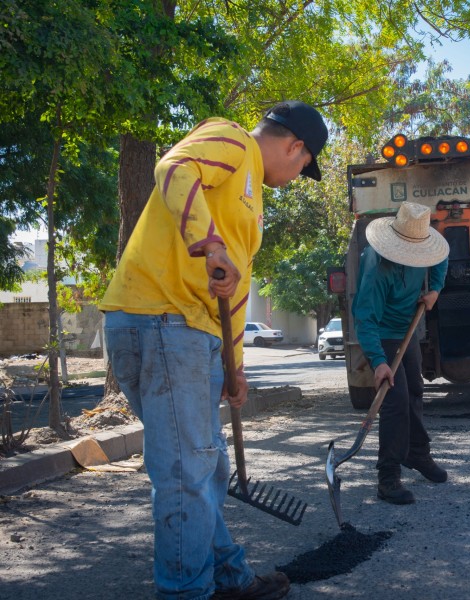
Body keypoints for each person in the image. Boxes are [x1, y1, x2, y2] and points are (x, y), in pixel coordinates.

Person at [100, 100, 328, 600]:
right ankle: (187, 592)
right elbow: (173, 167)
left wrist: (235, 365)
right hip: (163, 318)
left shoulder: (250, 198)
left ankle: (228, 576)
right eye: (303, 167)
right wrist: (209, 243)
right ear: (295, 146)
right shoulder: (232, 140)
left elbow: (236, 286)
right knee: (187, 469)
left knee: (205, 466)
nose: (294, 177)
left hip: (192, 332)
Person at [352, 201, 450, 505]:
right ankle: (388, 475)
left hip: (407, 330)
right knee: (394, 400)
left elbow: (441, 261)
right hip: (381, 334)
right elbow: (365, 318)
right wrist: (379, 362)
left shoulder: (425, 247)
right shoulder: (378, 268)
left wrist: (434, 290)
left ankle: (417, 453)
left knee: (415, 391)